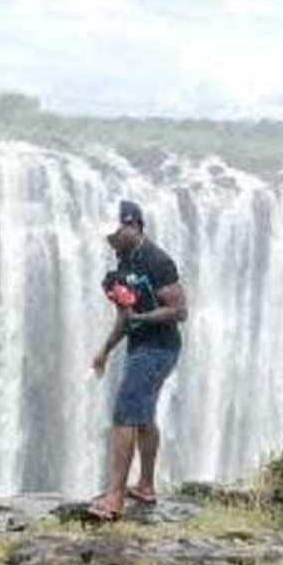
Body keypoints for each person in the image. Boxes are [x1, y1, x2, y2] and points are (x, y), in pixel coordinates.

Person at [88, 199, 187, 521]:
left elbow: (178, 310)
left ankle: (115, 496)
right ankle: (145, 485)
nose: (110, 239)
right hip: (140, 348)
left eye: (115, 232)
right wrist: (106, 349)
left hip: (160, 348)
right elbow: (125, 319)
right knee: (142, 416)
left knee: (124, 414)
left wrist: (141, 317)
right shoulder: (122, 265)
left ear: (134, 226)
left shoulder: (158, 261)